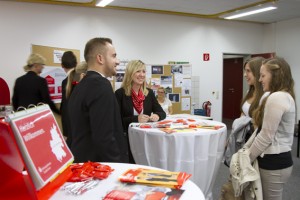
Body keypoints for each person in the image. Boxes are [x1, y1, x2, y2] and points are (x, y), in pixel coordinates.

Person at [68, 37, 128, 163]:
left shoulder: (81, 86)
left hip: (84, 162)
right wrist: (118, 166)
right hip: (100, 166)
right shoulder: (100, 85)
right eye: (113, 56)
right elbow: (104, 136)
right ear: (100, 58)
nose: (117, 61)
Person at [245, 56, 295, 200]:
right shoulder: (279, 96)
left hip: (274, 162)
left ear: (276, 75)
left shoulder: (277, 97)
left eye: (263, 75)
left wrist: (246, 159)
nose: (259, 80)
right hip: (276, 160)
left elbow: (265, 136)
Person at [115, 60, 166, 163]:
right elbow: (116, 121)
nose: (142, 75)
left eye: (143, 71)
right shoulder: (120, 94)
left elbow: (162, 113)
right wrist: (135, 119)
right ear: (130, 73)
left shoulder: (149, 93)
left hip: (146, 140)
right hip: (127, 142)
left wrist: (157, 115)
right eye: (138, 71)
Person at [64, 61, 87, 147]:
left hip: (72, 134)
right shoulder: (81, 90)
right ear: (83, 75)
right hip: (79, 136)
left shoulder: (69, 84)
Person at [60, 51, 77, 139]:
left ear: (62, 65)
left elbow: (65, 109)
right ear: (76, 64)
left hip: (71, 127)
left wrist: (65, 132)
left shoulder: (65, 82)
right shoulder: (83, 78)